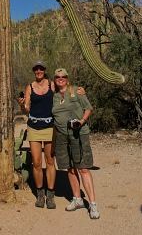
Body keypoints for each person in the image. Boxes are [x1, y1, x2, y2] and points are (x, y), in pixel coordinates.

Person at [16, 60, 85, 209]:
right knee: (36, 162)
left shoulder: (51, 84)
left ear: (44, 70)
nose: (39, 71)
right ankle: (40, 194)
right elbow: (26, 109)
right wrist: (22, 104)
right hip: (34, 127)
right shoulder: (30, 87)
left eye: (41, 68)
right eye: (36, 69)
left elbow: (64, 88)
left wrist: (78, 91)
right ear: (34, 71)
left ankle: (51, 195)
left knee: (49, 161)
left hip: (50, 127)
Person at [51, 67, 100, 219]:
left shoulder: (76, 91)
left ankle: (92, 205)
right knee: (70, 168)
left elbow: (88, 108)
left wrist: (81, 121)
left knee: (83, 168)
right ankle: (77, 199)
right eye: (58, 77)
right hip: (62, 136)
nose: (61, 79)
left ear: (67, 78)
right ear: (55, 79)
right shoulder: (54, 96)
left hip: (79, 134)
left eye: (63, 76)